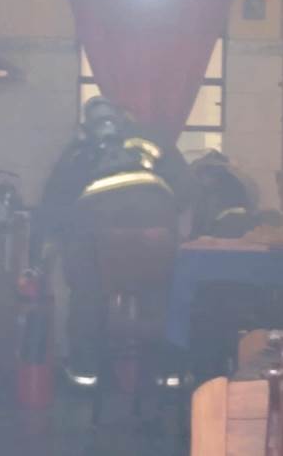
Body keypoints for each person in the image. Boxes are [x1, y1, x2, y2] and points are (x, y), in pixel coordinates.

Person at [30, 96, 197, 382]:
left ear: (86, 126)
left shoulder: (79, 150)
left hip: (97, 233)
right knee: (163, 292)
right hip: (154, 233)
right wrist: (168, 221)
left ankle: (86, 371)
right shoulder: (154, 138)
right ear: (126, 116)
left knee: (86, 291)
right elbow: (187, 187)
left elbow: (55, 201)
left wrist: (43, 250)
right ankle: (168, 371)